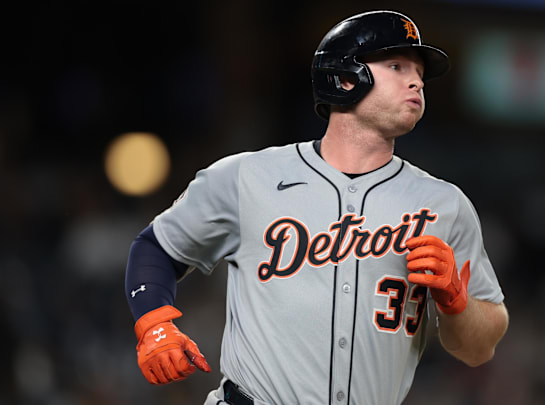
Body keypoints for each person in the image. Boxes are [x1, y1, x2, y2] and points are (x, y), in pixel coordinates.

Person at [125, 9, 508, 405]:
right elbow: (157, 247)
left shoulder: (444, 205)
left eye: (420, 74)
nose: (416, 81)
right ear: (344, 77)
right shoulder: (248, 176)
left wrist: (456, 302)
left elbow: (479, 348)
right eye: (397, 66)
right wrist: (153, 322)